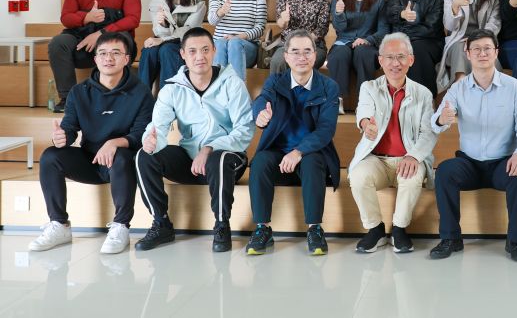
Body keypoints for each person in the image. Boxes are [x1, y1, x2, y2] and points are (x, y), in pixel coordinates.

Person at [30, 32, 154, 254]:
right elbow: (70, 128)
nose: (109, 58)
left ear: (127, 59)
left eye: (115, 53)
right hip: (89, 161)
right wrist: (62, 137)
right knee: (50, 156)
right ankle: (59, 224)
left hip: (121, 165)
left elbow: (140, 134)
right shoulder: (79, 91)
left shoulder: (141, 92)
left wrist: (115, 143)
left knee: (122, 156)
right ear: (95, 59)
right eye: (103, 53)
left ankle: (121, 226)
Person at [134, 28, 255, 253]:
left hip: (228, 160)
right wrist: (151, 141)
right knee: (144, 155)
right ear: (182, 54)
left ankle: (222, 225)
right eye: (192, 51)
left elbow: (245, 130)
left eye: (205, 50)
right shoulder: (172, 89)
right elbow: (157, 127)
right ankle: (161, 223)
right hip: (190, 162)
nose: (200, 56)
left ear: (214, 51)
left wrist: (209, 148)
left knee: (218, 159)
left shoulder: (232, 83)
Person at [429, 29, 517, 262]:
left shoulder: (513, 86)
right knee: (445, 171)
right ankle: (450, 238)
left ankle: (516, 242)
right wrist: (442, 119)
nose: (482, 53)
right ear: (467, 54)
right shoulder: (458, 88)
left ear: (496, 52)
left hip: (502, 163)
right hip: (470, 164)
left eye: (487, 48)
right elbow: (435, 123)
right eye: (476, 49)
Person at [246, 29, 341, 256]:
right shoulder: (275, 81)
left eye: (307, 51)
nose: (302, 57)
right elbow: (261, 100)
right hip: (278, 151)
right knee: (259, 162)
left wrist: (298, 151)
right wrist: (260, 114)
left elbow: (325, 130)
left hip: (312, 152)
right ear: (286, 57)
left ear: (315, 55)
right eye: (295, 52)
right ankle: (262, 229)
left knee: (312, 162)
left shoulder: (329, 87)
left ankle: (315, 229)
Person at [349, 33, 439, 254]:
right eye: (389, 57)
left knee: (411, 175)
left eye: (401, 57)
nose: (395, 63)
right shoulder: (369, 87)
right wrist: (365, 124)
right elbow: (363, 110)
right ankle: (375, 229)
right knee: (358, 176)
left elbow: (428, 133)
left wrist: (414, 156)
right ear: (380, 60)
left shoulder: (423, 94)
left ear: (411, 60)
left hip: (408, 157)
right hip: (376, 159)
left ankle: (399, 229)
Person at [49, 0, 141, 112]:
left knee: (122, 40)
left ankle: (116, 96)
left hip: (115, 41)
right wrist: (86, 17)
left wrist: (101, 34)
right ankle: (68, 99)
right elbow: (66, 18)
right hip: (83, 44)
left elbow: (133, 19)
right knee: (58, 42)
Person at [326, 0, 386, 113]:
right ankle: (337, 100)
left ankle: (365, 101)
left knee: (362, 53)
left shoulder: (379, 0)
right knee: (338, 54)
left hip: (368, 44)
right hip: (343, 41)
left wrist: (368, 40)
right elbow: (339, 28)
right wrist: (339, 12)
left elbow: (384, 30)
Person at [137, 0, 207, 90]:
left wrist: (162, 39)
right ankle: (142, 96)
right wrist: (163, 25)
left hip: (188, 42)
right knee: (149, 51)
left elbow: (190, 31)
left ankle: (168, 96)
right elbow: (158, 32)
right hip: (166, 40)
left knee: (167, 49)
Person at [437, 0, 500, 93]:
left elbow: (494, 25)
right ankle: (460, 88)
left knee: (484, 52)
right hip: (457, 41)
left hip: (484, 41)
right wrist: (455, 5)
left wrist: (475, 40)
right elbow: (449, 26)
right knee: (462, 49)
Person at [384, 0, 444, 95]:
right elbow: (389, 13)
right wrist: (402, 14)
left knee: (416, 49)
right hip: (401, 43)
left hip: (431, 42)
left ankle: (425, 98)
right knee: (405, 50)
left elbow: (431, 28)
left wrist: (403, 34)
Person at [208, 0, 267, 82]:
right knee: (221, 43)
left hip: (247, 47)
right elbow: (212, 21)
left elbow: (260, 28)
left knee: (234, 43)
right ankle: (219, 90)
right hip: (220, 46)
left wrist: (238, 37)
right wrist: (221, 11)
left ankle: (237, 91)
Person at [269, 0, 330, 74]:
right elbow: (280, 24)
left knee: (301, 62)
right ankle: (276, 87)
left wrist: (302, 44)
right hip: (288, 45)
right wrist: (284, 20)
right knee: (278, 61)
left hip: (313, 46)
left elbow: (321, 29)